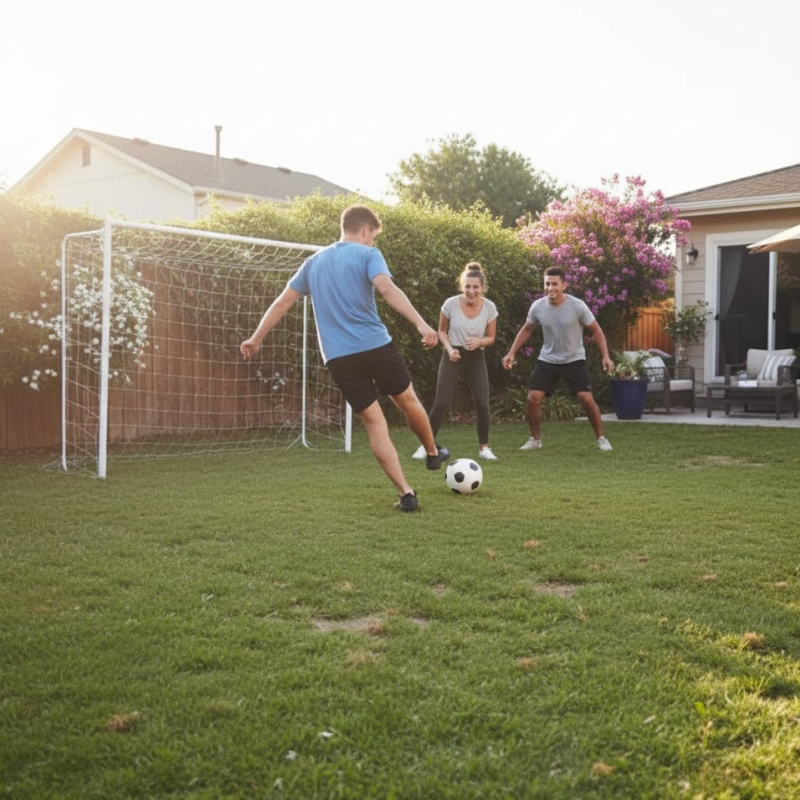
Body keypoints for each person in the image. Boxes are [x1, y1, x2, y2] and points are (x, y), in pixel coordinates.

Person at [240, 204, 448, 512]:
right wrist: (421, 323)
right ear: (365, 229)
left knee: (374, 423)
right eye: (373, 236)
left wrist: (256, 338)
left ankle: (406, 493)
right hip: (375, 345)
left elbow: (282, 303)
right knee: (407, 400)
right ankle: (432, 452)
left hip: (338, 357)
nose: (372, 242)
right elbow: (388, 290)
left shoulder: (312, 263)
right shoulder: (367, 255)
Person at [501, 266, 614, 452]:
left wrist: (606, 356)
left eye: (555, 284)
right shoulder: (538, 306)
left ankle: (601, 438)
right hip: (548, 359)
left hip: (574, 359)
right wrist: (511, 352)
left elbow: (596, 330)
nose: (550, 288)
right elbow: (527, 329)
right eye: (547, 284)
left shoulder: (577, 306)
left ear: (564, 285)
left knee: (585, 398)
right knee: (533, 398)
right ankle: (535, 440)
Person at [412, 262, 498, 461]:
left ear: (482, 288)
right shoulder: (450, 304)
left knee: (482, 404)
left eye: (475, 287)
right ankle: (427, 445)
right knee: (441, 402)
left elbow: (491, 338)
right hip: (453, 355)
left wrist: (479, 341)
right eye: (467, 286)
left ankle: (484, 448)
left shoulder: (490, 308)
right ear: (462, 286)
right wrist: (450, 349)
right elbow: (442, 331)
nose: (471, 291)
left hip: (476, 355)